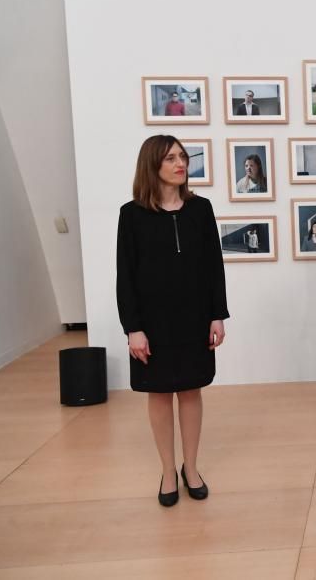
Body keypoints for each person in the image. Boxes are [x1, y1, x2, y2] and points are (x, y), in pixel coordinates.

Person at [116, 134, 228, 507]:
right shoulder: (131, 215)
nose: (181, 164)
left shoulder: (201, 209)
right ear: (153, 165)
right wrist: (133, 328)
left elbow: (215, 266)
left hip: (195, 318)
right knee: (160, 393)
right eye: (171, 159)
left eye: (183, 157)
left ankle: (190, 468)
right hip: (152, 322)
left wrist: (217, 315)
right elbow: (125, 276)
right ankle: (167, 471)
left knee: (191, 390)